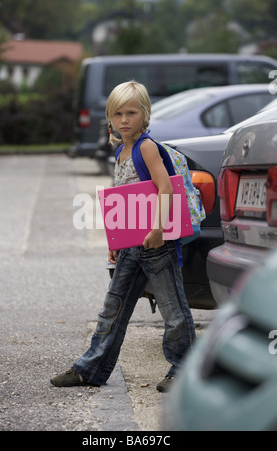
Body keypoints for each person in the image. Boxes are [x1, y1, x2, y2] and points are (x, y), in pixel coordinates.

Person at [51, 81, 196, 393]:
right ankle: (90, 369)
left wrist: (158, 229)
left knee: (174, 311)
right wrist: (114, 242)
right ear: (110, 118)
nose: (125, 119)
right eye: (118, 114)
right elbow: (122, 201)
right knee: (112, 309)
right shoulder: (121, 152)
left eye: (132, 112)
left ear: (144, 115)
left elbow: (165, 189)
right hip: (130, 246)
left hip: (157, 244)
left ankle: (184, 369)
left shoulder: (146, 147)